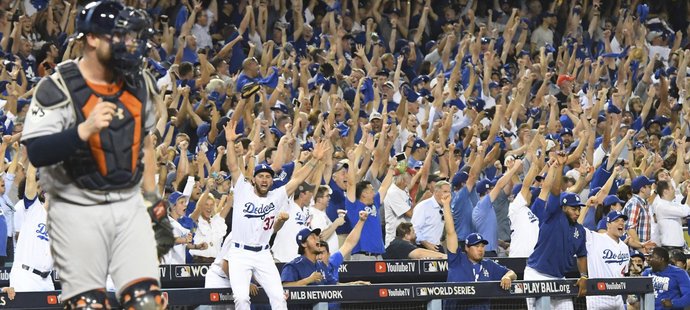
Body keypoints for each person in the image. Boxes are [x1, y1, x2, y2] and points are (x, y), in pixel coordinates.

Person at [20, 1, 164, 308]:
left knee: (147, 301)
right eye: (119, 36)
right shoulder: (57, 86)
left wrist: (151, 195)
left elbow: (146, 144)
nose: (129, 44)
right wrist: (82, 131)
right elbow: (37, 152)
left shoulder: (138, 83)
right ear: (93, 39)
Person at [223, 120, 329, 310]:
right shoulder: (243, 190)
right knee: (241, 299)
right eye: (261, 176)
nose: (265, 179)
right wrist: (230, 142)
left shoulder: (276, 195)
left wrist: (315, 159)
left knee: (279, 298)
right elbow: (232, 166)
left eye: (268, 176)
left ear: (272, 180)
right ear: (254, 179)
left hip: (263, 253)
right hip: (239, 253)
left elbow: (297, 179)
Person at [524, 155, 588, 310]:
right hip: (537, 275)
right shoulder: (554, 214)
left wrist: (584, 276)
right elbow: (555, 190)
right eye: (574, 209)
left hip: (559, 278)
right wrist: (559, 167)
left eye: (579, 209)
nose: (577, 212)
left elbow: (581, 254)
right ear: (564, 208)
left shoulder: (579, 230)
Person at [440, 190, 517, 310]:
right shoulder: (457, 260)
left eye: (482, 246)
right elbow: (451, 233)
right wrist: (446, 205)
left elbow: (512, 273)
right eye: (476, 246)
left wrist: (507, 277)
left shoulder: (489, 265)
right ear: (467, 248)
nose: (480, 249)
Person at [9, 164, 53, 292]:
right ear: (45, 194)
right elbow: (30, 179)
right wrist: (34, 154)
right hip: (26, 276)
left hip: (47, 280)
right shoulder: (34, 208)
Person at [584, 211, 630, 310]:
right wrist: (587, 207)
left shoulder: (625, 247)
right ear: (608, 225)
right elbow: (577, 227)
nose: (621, 223)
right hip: (598, 296)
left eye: (623, 221)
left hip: (618, 298)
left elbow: (624, 273)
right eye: (616, 221)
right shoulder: (594, 238)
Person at [411, 181, 452, 253]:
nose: (448, 194)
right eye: (445, 191)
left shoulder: (445, 207)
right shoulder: (423, 206)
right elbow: (415, 228)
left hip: (437, 246)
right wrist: (426, 244)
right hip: (422, 246)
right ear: (436, 192)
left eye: (449, 192)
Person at [652, 180, 690, 251]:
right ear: (665, 191)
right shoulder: (661, 206)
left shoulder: (671, 204)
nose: (674, 190)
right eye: (672, 188)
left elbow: (685, 208)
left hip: (677, 247)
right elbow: (685, 211)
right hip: (670, 248)